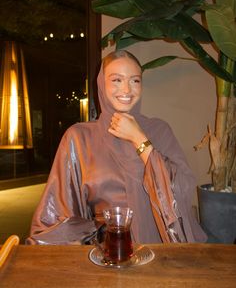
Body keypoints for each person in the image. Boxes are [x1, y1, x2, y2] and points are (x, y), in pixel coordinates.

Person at [26, 50, 207, 245]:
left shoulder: (159, 130)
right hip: (108, 250)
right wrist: (97, 232)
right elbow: (58, 215)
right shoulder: (80, 137)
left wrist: (139, 140)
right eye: (117, 80)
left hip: (160, 248)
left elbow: (183, 188)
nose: (127, 90)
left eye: (135, 81)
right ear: (102, 85)